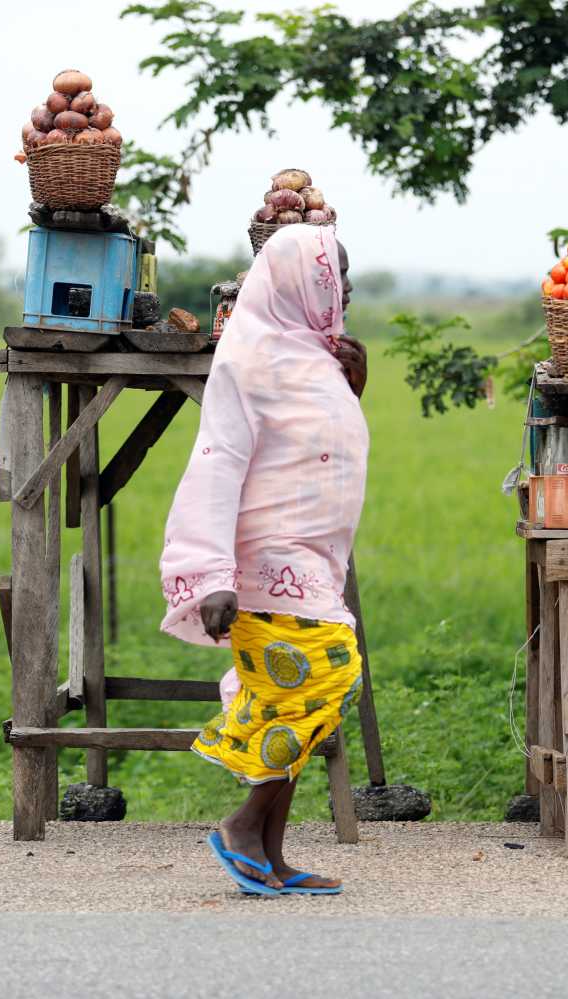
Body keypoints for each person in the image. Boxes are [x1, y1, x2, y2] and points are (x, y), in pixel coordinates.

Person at [160, 224, 368, 895]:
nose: (341, 290)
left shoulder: (318, 355)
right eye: (329, 277)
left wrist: (352, 386)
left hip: (314, 559)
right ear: (295, 282)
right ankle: (243, 826)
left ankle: (269, 855)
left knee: (293, 705)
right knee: (328, 675)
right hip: (265, 561)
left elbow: (318, 445)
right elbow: (217, 464)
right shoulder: (246, 359)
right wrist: (211, 575)